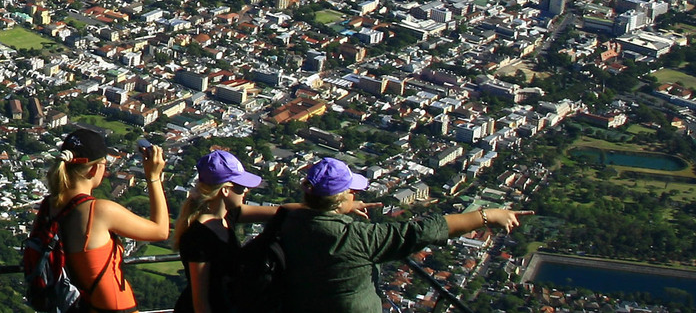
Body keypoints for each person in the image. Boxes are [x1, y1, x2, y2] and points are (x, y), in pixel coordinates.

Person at [281, 157, 529, 313]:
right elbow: (423, 231)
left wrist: (340, 208)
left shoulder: (288, 222)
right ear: (342, 197)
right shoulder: (355, 237)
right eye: (351, 192)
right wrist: (486, 215)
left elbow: (311, 213)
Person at [41, 128, 171, 313]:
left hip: (77, 305)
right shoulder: (99, 211)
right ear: (95, 168)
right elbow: (161, 231)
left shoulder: (49, 205)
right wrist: (154, 177)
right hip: (114, 306)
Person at [171, 150, 269, 313]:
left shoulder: (227, 216)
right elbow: (201, 303)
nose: (246, 191)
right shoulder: (198, 238)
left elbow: (280, 212)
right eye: (241, 186)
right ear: (225, 190)